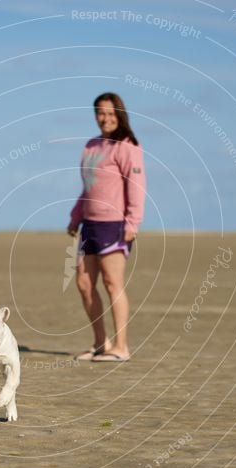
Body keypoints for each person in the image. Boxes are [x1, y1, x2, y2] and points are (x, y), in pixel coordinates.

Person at [67, 92, 146, 362]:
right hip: (89, 225)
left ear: (120, 115)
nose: (106, 118)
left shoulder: (127, 146)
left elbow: (136, 187)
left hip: (115, 225)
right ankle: (101, 342)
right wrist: (76, 216)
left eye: (111, 114)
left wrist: (133, 222)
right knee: (84, 283)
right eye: (101, 113)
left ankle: (121, 347)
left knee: (113, 283)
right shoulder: (91, 146)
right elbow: (88, 187)